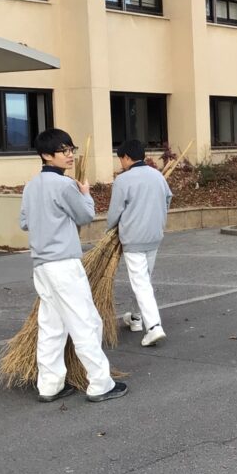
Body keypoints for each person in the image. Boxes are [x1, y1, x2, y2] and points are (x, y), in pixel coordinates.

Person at [20, 129, 128, 404]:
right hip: (64, 264)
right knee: (85, 321)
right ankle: (100, 383)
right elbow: (86, 215)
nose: (70, 155)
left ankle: (49, 385)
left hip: (41, 265)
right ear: (47, 155)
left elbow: (24, 222)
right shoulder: (64, 185)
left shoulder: (31, 186)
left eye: (71, 149)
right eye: (63, 150)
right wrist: (86, 194)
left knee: (51, 325)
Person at [107, 139, 172, 348]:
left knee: (140, 282)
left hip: (133, 238)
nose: (120, 163)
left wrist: (109, 230)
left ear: (127, 157)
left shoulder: (123, 180)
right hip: (154, 236)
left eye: (120, 159)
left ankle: (153, 327)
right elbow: (168, 198)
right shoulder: (157, 176)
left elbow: (115, 211)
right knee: (144, 279)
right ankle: (136, 318)